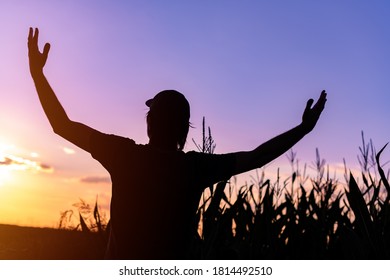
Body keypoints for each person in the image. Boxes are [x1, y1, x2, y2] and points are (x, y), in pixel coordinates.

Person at [28, 27, 327, 259]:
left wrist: (38, 75)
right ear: (184, 130)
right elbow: (257, 157)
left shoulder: (123, 154)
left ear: (149, 122)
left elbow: (61, 125)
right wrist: (303, 130)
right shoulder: (195, 167)